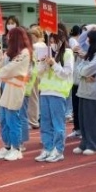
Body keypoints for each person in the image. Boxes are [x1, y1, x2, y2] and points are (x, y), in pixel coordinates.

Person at [0, 27, 32, 161]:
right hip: (4, 87)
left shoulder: (25, 53)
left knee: (13, 119)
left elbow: (11, 69)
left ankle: (16, 148)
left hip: (14, 88)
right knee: (4, 119)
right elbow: (0, 64)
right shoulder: (10, 52)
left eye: (10, 36)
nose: (7, 37)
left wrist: (1, 74)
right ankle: (7, 146)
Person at [35, 27, 74, 162]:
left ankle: (58, 150)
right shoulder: (47, 52)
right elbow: (38, 73)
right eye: (50, 41)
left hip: (58, 92)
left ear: (62, 40)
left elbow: (66, 73)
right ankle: (47, 148)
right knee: (45, 122)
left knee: (57, 123)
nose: (52, 43)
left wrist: (54, 64)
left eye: (54, 40)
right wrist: (42, 63)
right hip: (45, 91)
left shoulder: (67, 53)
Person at [74, 29, 96, 155]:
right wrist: (83, 73)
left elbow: (86, 70)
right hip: (83, 90)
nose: (87, 41)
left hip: (94, 91)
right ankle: (84, 143)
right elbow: (79, 69)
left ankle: (92, 144)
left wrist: (83, 73)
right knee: (83, 119)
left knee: (91, 120)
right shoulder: (90, 53)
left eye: (88, 38)